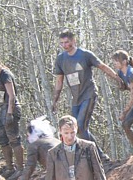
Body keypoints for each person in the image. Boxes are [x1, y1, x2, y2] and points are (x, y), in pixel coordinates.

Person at [51, 29, 120, 162]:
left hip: (88, 94)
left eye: (67, 42)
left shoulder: (85, 55)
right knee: (75, 129)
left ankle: (99, 157)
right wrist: (55, 100)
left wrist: (118, 79)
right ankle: (92, 156)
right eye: (62, 43)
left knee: (81, 126)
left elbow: (103, 66)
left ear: (73, 41)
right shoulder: (60, 59)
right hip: (75, 99)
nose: (65, 45)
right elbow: (59, 81)